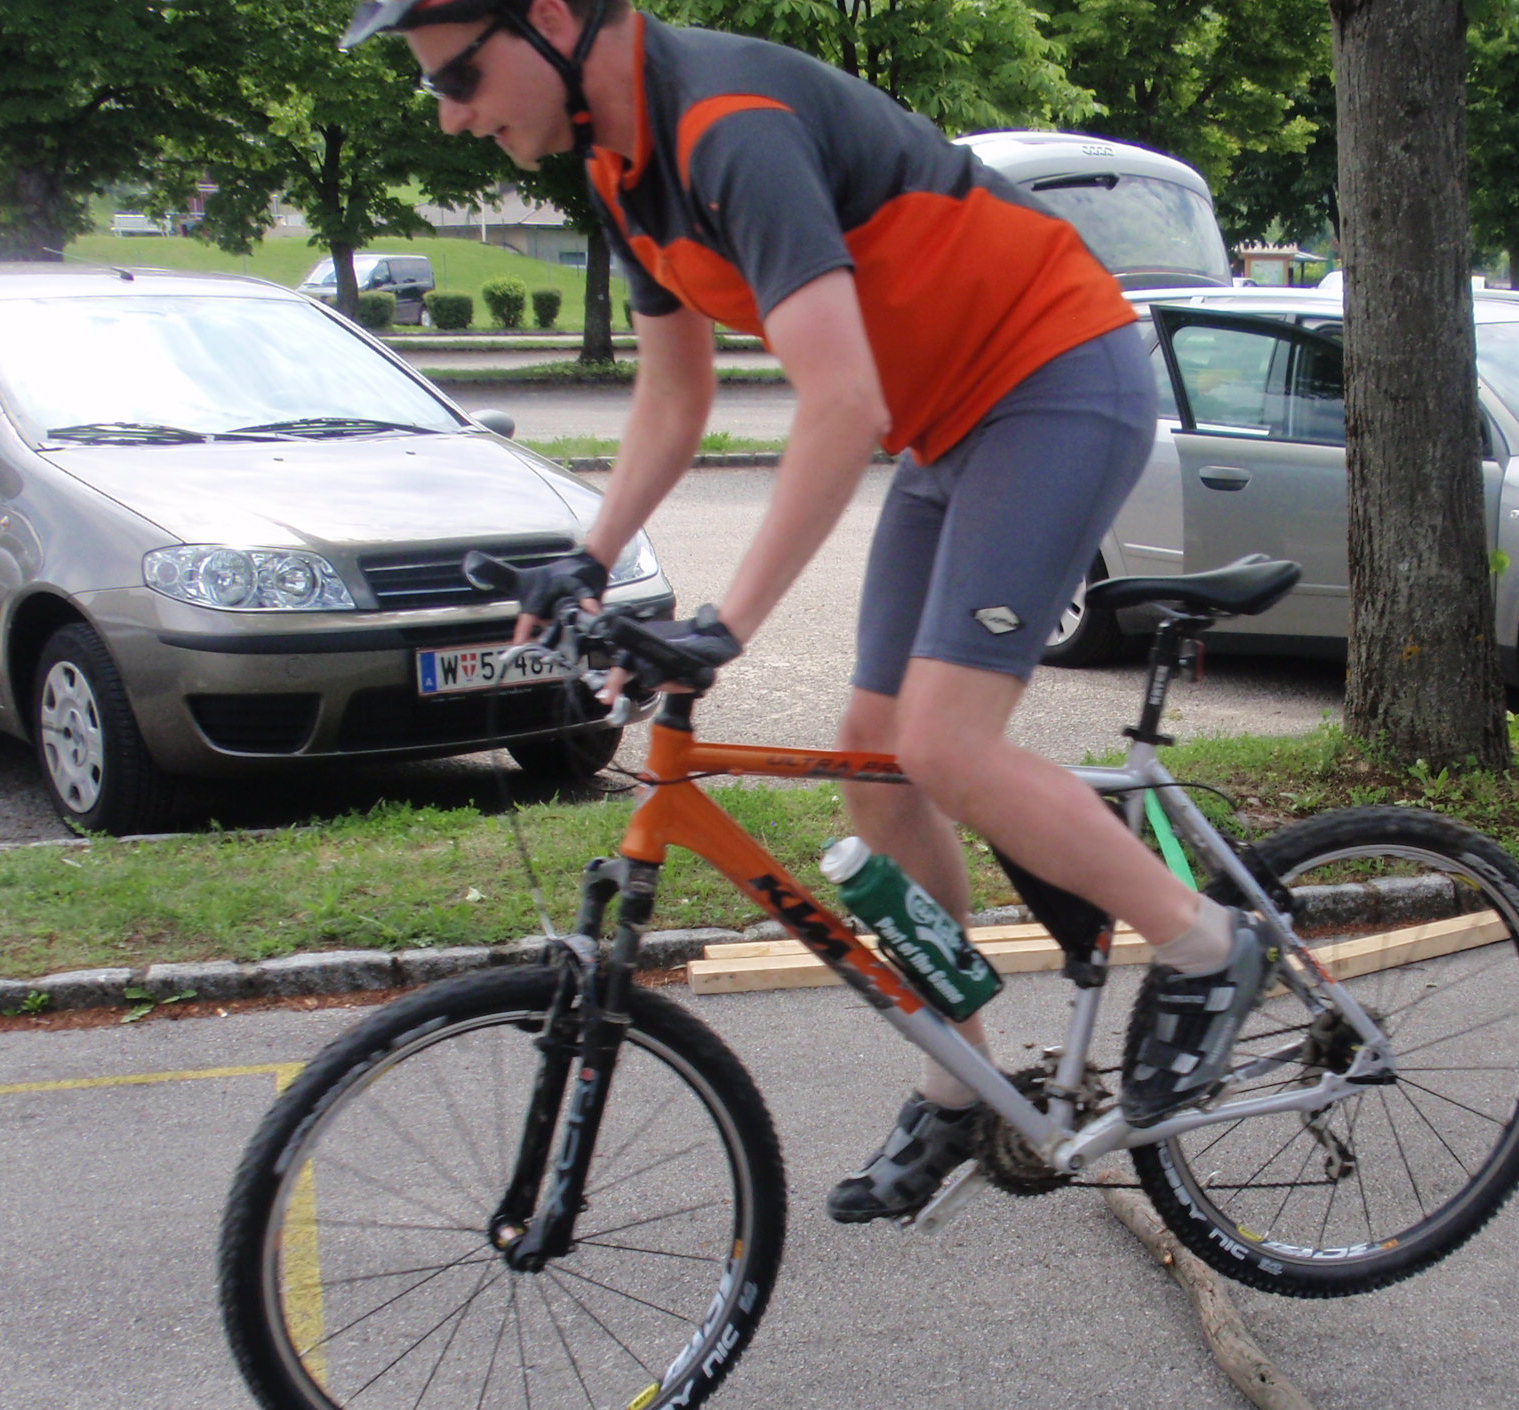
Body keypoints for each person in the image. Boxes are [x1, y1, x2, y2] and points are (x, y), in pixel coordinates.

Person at [344, 0, 1275, 1221]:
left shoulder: (729, 129)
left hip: (1052, 375)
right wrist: (588, 557)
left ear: (555, 19)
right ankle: (962, 1079)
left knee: (943, 743)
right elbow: (674, 396)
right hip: (945, 428)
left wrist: (726, 624)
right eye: (435, 90)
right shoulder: (622, 169)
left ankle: (1209, 947)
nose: (452, 116)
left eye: (458, 76)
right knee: (874, 765)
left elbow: (838, 404)